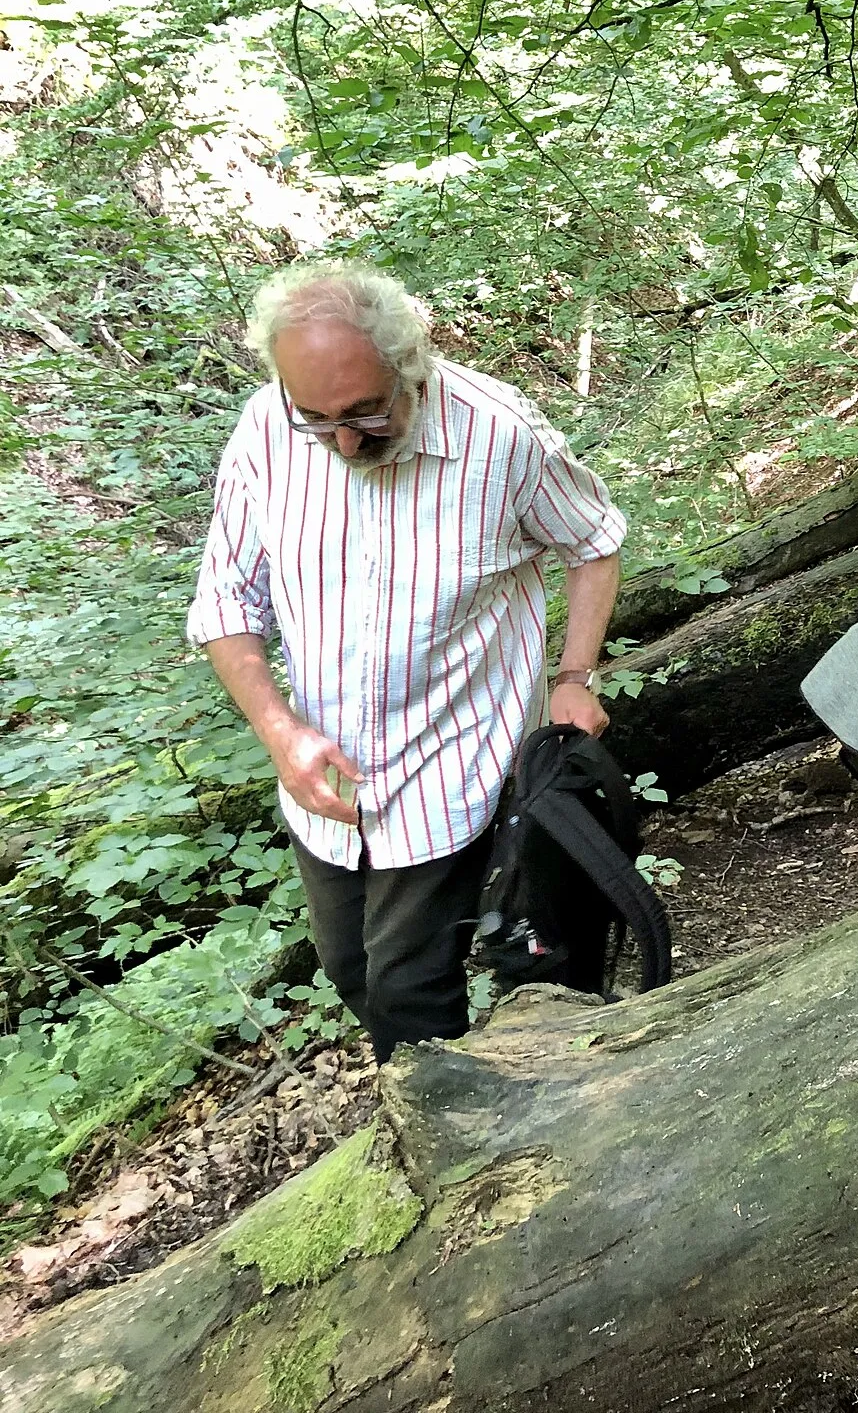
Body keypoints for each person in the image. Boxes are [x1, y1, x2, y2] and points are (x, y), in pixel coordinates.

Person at [186, 261, 628, 1060]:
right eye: (317, 419)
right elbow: (226, 601)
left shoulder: (501, 437)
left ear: (410, 367)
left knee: (407, 990)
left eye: (366, 413)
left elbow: (593, 544)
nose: (345, 441)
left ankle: (467, 1143)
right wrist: (280, 733)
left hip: (451, 764)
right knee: (351, 970)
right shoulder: (264, 430)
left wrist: (573, 678)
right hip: (327, 779)